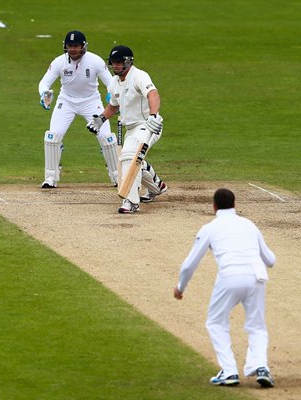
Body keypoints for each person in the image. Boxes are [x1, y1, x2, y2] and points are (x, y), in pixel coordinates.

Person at [174, 188, 276, 388]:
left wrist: (180, 287)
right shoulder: (249, 224)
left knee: (215, 322)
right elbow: (270, 260)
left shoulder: (210, 228)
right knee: (257, 325)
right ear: (235, 204)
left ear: (214, 206)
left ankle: (229, 371)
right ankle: (261, 367)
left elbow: (189, 264)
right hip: (257, 276)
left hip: (230, 275)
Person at [86, 45, 167, 213]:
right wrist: (100, 120)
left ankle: (131, 202)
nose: (115, 66)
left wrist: (153, 116)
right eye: (113, 63)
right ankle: (156, 186)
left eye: (119, 62)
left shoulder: (139, 76)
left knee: (130, 157)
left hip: (148, 125)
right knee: (133, 159)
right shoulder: (114, 82)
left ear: (129, 62)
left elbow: (153, 95)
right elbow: (113, 106)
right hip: (131, 128)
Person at [38, 30, 118, 189]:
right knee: (53, 137)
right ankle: (50, 177)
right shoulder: (59, 62)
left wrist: (111, 96)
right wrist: (44, 94)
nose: (73, 49)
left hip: (91, 101)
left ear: (83, 46)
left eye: (76, 46)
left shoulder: (95, 61)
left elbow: (110, 82)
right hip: (66, 101)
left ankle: (117, 176)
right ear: (65, 47)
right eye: (70, 46)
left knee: (107, 138)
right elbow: (44, 83)